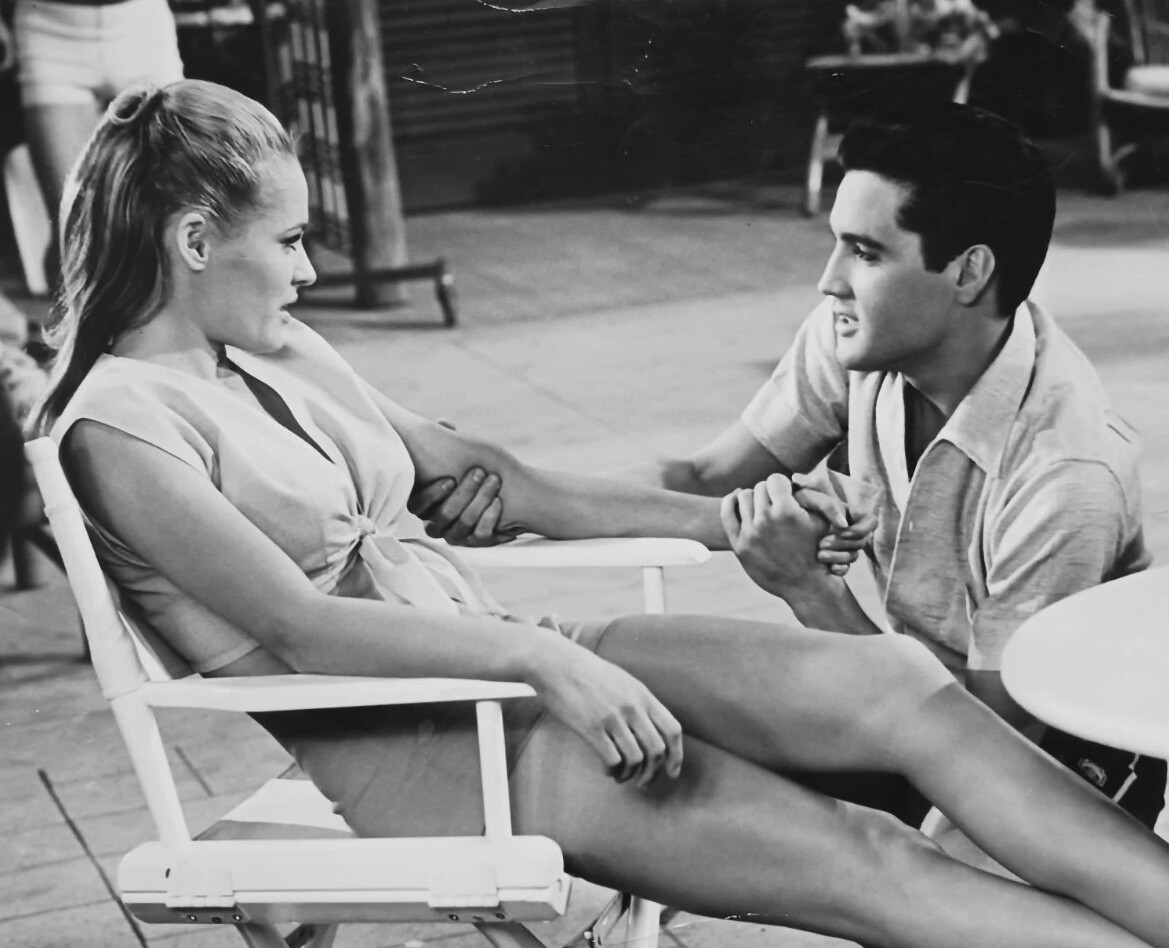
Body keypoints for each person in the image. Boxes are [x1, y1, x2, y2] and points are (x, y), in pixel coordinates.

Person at [29, 80, 1169, 948]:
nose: (308, 271)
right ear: (194, 242)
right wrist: (546, 662)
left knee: (901, 686)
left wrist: (740, 518)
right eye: (287, 241)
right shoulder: (120, 429)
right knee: (864, 857)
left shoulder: (276, 348)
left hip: (507, 660)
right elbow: (304, 629)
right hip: (425, 748)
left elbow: (497, 479)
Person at [420, 100, 1166, 832]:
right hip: (919, 703)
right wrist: (517, 497)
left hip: (1055, 776)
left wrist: (809, 589)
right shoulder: (861, 337)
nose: (829, 280)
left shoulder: (1066, 475)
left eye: (866, 253)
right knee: (658, 744)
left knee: (726, 801)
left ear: (968, 272)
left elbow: (987, 753)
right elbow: (704, 481)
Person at [6, 0, 183, 325]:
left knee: (167, 213)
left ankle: (169, 342)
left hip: (141, 27)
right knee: (72, 229)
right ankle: (82, 344)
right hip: (49, 29)